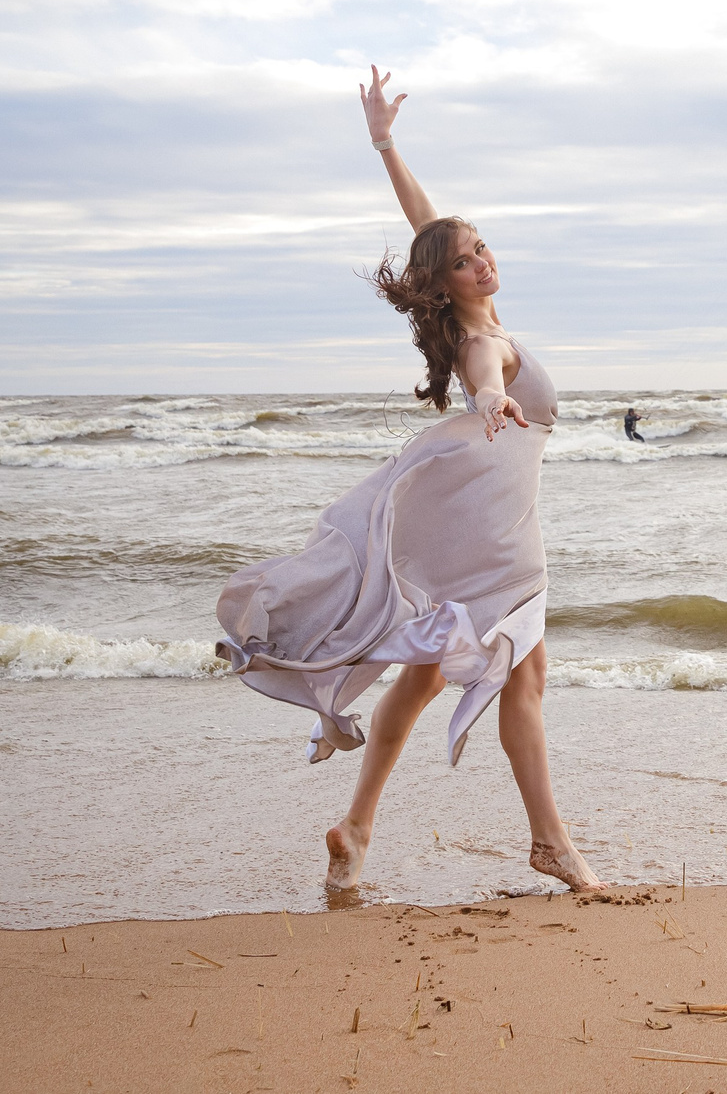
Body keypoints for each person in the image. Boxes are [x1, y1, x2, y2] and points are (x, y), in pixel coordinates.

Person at [214, 65, 603, 896]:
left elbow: (427, 224)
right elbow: (489, 370)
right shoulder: (478, 344)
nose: (483, 262)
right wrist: (494, 397)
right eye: (466, 262)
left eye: (483, 246)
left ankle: (357, 829)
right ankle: (553, 844)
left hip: (486, 529)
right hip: (502, 545)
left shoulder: (480, 310)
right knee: (522, 680)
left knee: (427, 676)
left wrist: (386, 143)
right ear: (446, 285)